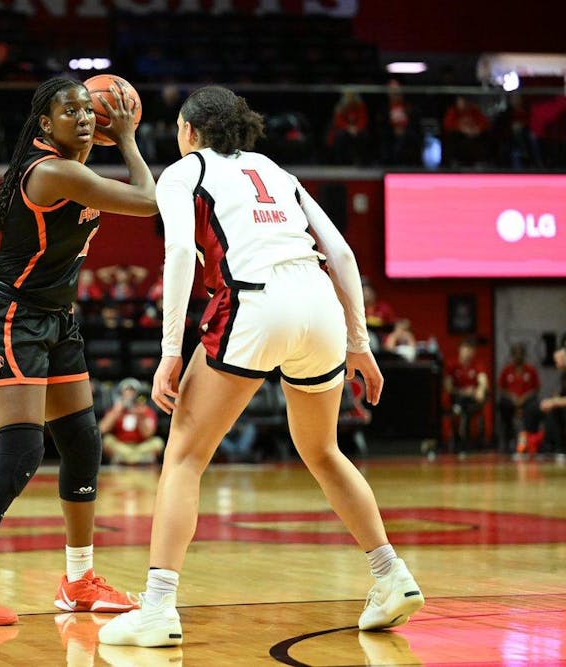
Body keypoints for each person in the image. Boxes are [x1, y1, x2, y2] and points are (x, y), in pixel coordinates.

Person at [98, 86, 424, 648]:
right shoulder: (272, 168)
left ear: (190, 132)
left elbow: (178, 255)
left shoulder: (182, 173)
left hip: (253, 300)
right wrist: (360, 343)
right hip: (319, 302)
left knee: (183, 457)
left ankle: (156, 608)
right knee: (323, 451)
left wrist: (170, 353)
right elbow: (342, 254)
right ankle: (391, 573)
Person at [0, 76, 157, 625]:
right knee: (22, 452)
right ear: (45, 124)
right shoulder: (54, 171)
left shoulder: (75, 169)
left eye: (88, 108)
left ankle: (79, 580)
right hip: (8, 312)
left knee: (81, 443)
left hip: (54, 315)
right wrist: (126, 138)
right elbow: (148, 201)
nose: (83, 116)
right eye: (71, 110)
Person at [99, 378, 164, 465]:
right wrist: (116, 412)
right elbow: (102, 429)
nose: (129, 396)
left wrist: (140, 416)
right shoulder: (116, 410)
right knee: (107, 441)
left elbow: (148, 434)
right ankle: (135, 459)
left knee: (158, 442)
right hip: (122, 447)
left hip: (140, 447)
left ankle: (130, 459)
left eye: (132, 392)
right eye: (127, 392)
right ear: (121, 395)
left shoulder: (145, 411)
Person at [444, 338, 489, 456]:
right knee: (460, 408)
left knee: (472, 407)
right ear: (460, 350)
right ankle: (459, 442)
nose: (467, 352)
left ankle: (469, 443)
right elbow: (448, 387)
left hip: (473, 400)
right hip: (457, 398)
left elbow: (483, 381)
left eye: (470, 350)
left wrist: (480, 390)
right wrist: (463, 391)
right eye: (465, 349)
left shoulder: (478, 364)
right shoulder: (452, 364)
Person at [496, 343, 540, 453]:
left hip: (527, 401)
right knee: (503, 404)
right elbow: (501, 388)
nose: (518, 356)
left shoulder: (531, 370)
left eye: (520, 353)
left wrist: (524, 398)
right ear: (512, 355)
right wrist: (512, 397)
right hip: (511, 401)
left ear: (524, 355)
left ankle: (530, 442)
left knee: (534, 407)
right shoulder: (507, 370)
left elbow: (536, 389)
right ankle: (505, 442)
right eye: (516, 354)